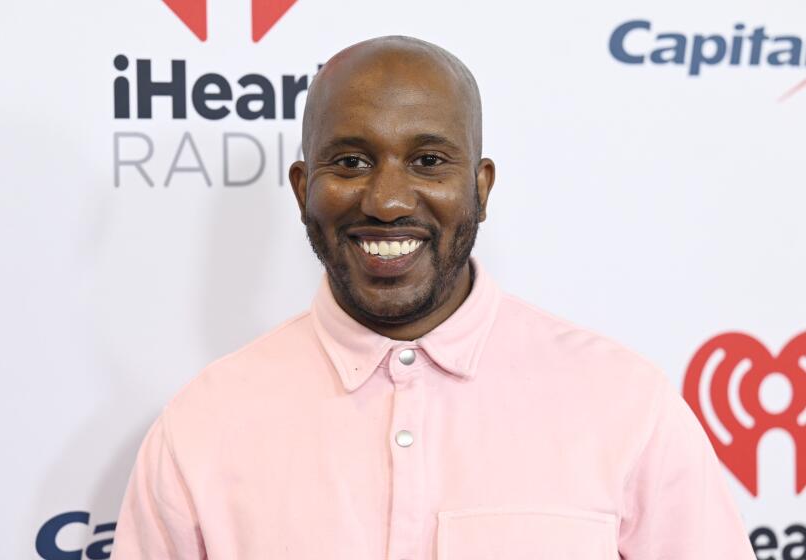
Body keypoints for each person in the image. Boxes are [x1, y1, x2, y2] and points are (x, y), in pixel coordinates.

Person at [111, 35, 755, 559]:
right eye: (351, 162)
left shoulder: (624, 404)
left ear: (481, 186)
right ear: (303, 185)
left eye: (427, 161)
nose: (387, 201)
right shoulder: (202, 427)